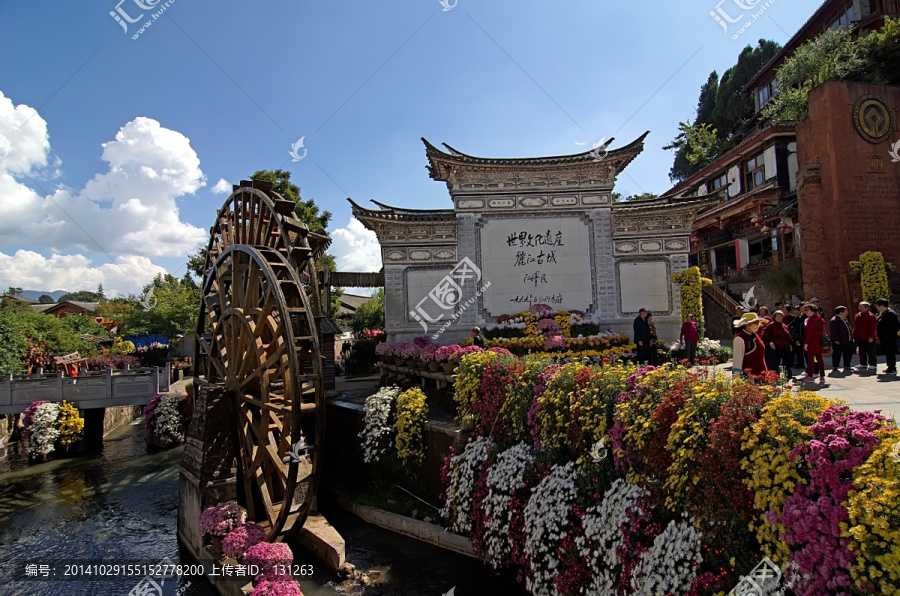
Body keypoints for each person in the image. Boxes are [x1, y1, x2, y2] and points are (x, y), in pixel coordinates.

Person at [733, 313, 769, 378]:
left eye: (757, 323)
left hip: (761, 375)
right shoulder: (740, 338)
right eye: (754, 323)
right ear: (747, 324)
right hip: (749, 377)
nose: (757, 325)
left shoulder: (756, 336)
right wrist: (736, 380)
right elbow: (737, 361)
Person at [801, 302, 828, 383]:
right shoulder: (819, 317)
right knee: (819, 359)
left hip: (812, 342)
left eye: (807, 310)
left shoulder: (810, 320)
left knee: (810, 360)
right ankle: (822, 376)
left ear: (812, 310)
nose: (805, 311)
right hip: (818, 341)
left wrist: (806, 343)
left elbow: (809, 333)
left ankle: (810, 376)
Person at [875, 298, 899, 375]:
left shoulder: (891, 314)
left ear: (882, 305)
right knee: (887, 353)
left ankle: (892, 368)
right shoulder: (881, 314)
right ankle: (889, 366)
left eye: (877, 305)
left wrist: (888, 333)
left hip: (889, 337)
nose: (877, 307)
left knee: (890, 352)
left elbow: (896, 326)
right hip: (883, 338)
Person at [854, 301, 878, 371]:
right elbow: (856, 326)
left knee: (871, 352)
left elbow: (872, 327)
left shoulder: (871, 316)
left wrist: (871, 336)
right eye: (859, 307)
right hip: (860, 337)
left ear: (866, 308)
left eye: (861, 307)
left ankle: (872, 364)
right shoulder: (858, 316)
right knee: (862, 351)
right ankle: (863, 363)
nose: (860, 308)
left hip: (869, 337)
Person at [829, 306, 854, 373]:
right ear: (841, 312)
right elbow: (833, 331)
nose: (847, 313)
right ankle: (835, 366)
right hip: (839, 341)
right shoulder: (834, 320)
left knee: (848, 353)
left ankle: (847, 365)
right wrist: (835, 339)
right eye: (846, 311)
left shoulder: (844, 319)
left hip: (847, 340)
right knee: (837, 353)